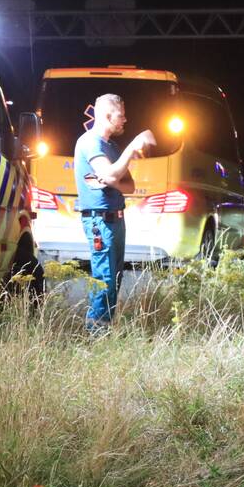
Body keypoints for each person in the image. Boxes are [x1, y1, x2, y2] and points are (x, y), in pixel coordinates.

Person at [73, 94, 151, 332]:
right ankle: (96, 335)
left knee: (114, 280)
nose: (125, 119)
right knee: (104, 281)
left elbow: (129, 185)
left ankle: (102, 330)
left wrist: (110, 177)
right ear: (107, 116)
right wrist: (130, 150)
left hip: (115, 219)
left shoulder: (111, 146)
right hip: (100, 221)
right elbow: (112, 175)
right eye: (121, 114)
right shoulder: (91, 143)